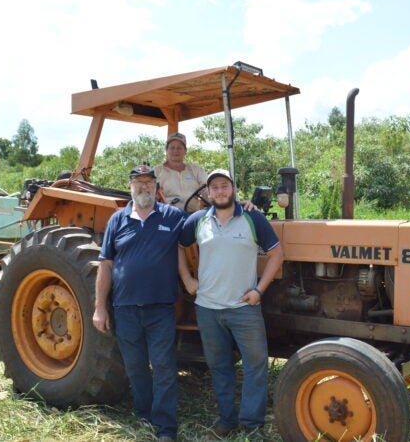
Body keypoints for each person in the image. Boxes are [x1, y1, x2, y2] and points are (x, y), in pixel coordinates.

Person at [178, 168, 284, 440]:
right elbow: (179, 246)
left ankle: (251, 424)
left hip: (243, 308)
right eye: (214, 187)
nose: (220, 191)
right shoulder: (198, 220)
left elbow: (276, 253)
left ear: (233, 189)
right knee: (220, 366)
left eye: (224, 186)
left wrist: (259, 290)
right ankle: (226, 421)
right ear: (208, 192)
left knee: (255, 365)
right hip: (208, 308)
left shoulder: (252, 218)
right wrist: (188, 280)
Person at [93, 165, 186, 442]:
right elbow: (105, 265)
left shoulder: (172, 216)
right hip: (125, 309)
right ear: (130, 185)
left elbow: (204, 220)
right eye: (138, 182)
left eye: (148, 182)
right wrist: (99, 307)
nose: (144, 187)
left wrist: (241, 206)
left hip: (160, 308)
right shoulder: (117, 220)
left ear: (156, 187)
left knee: (164, 367)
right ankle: (144, 415)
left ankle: (166, 426)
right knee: (135, 367)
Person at [154, 132, 208, 211]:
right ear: (166, 151)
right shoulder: (156, 172)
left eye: (179, 148)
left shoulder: (196, 170)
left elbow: (208, 192)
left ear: (185, 151)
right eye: (172, 148)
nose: (175, 150)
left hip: (192, 216)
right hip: (166, 216)